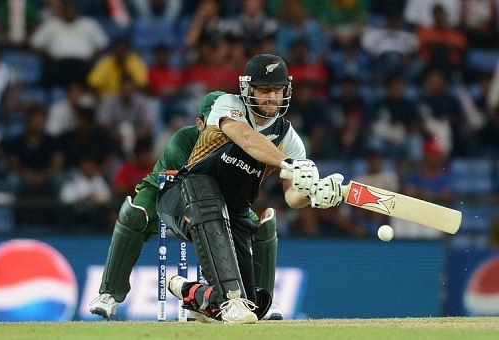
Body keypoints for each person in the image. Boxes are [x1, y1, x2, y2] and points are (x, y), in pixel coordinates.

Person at [156, 54, 343, 323]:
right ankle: (230, 300)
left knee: (252, 306)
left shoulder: (290, 140)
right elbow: (246, 138)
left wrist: (314, 194)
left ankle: (193, 293)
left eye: (277, 90)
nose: (271, 97)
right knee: (207, 196)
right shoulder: (228, 105)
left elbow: (292, 196)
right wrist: (288, 164)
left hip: (234, 213)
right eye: (264, 90)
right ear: (248, 89)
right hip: (183, 197)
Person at [88, 86, 294, 321]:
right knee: (135, 214)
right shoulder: (184, 138)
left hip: (219, 197)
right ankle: (109, 294)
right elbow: (182, 183)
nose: (220, 130)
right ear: (200, 123)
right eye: (214, 122)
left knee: (261, 227)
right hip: (165, 190)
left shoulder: (241, 140)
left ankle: (259, 301)